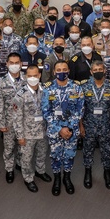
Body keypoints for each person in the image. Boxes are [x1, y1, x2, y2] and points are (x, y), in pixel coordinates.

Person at [41, 61, 84, 195]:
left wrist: (69, 127)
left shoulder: (76, 88)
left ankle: (67, 178)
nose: (61, 72)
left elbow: (80, 109)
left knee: (69, 155)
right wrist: (60, 129)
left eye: (64, 69)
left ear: (69, 71)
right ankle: (57, 179)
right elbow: (45, 111)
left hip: (71, 130)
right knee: (55, 156)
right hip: (55, 130)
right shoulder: (47, 89)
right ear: (54, 72)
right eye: (58, 70)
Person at [12, 65, 52, 192]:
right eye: (30, 76)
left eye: (35, 75)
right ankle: (28, 178)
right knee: (26, 157)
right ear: (25, 76)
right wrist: (20, 136)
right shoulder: (20, 94)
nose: (33, 78)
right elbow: (17, 117)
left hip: (43, 131)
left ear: (39, 75)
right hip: (27, 133)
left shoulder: (46, 90)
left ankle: (40, 171)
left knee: (42, 153)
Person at [81, 58, 110, 189]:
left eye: (100, 70)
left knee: (107, 150)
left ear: (105, 71)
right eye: (95, 70)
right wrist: (81, 125)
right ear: (91, 72)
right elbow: (81, 108)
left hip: (106, 124)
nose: (98, 72)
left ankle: (107, 172)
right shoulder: (84, 87)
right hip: (89, 124)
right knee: (88, 150)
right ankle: (88, 172)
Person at [0, 53, 25, 183]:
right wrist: (0, 123)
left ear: (21, 64)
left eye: (16, 62)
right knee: (9, 147)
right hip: (8, 121)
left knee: (22, 145)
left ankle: (19, 163)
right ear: (7, 64)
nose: (14, 65)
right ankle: (9, 169)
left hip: (24, 121)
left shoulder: (27, 79)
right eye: (11, 63)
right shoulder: (1, 83)